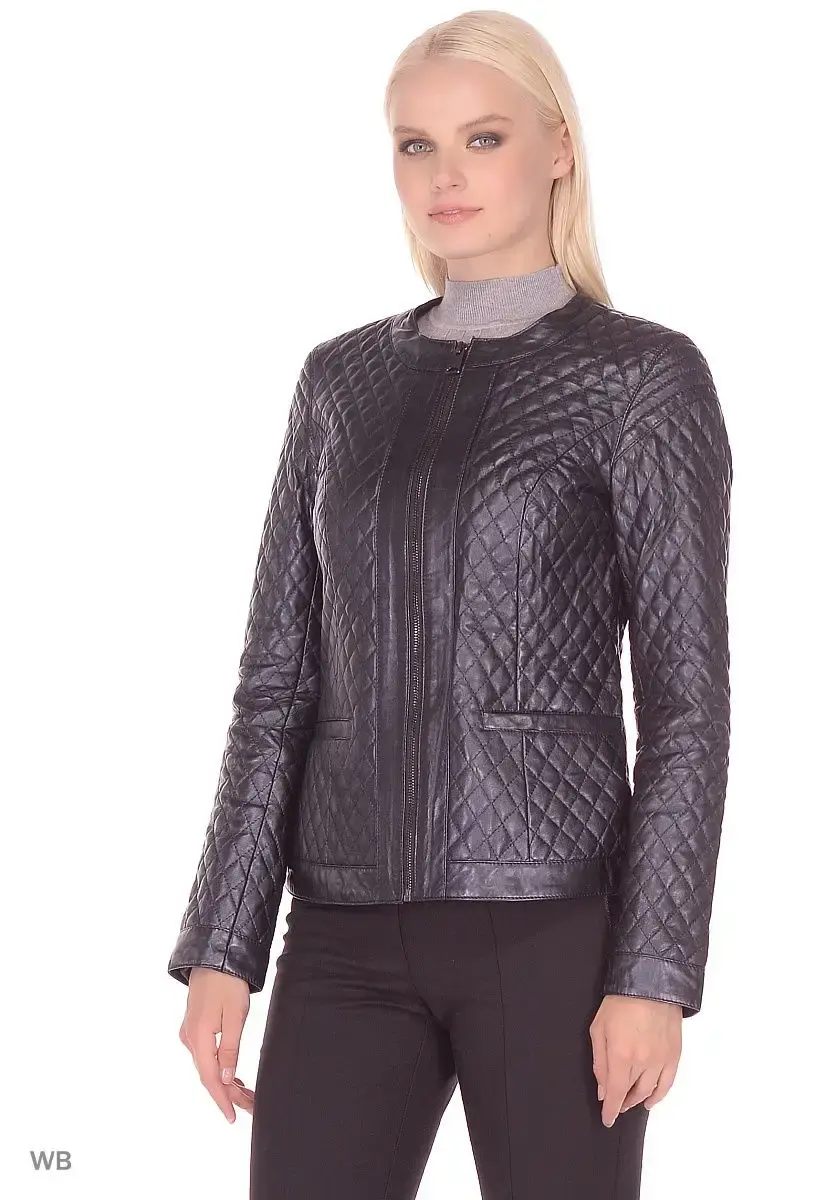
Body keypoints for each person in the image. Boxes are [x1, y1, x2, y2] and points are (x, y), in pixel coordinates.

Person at [168, 11, 733, 1200]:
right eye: (415, 145)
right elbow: (276, 686)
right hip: (341, 928)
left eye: (483, 138)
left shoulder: (640, 378)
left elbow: (686, 705)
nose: (446, 176)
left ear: (559, 147)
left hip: (550, 929)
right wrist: (225, 943)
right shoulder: (340, 381)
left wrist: (653, 971)